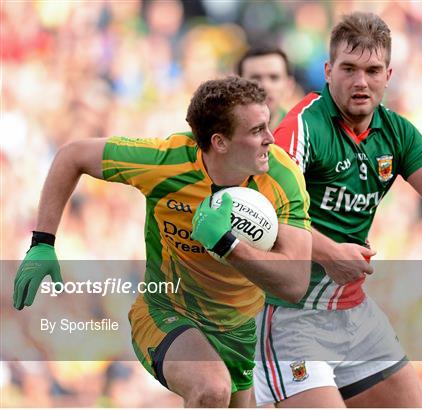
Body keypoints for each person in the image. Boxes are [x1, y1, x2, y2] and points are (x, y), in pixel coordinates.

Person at [12, 77, 312, 408]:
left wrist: (228, 246)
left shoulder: (283, 177)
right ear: (220, 142)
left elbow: (295, 283)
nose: (270, 139)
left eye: (267, 126)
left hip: (240, 332)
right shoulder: (165, 162)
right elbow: (72, 155)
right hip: (166, 313)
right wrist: (43, 242)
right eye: (256, 131)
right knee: (211, 388)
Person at [254, 12, 422, 408]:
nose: (361, 82)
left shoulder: (397, 132)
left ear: (388, 74)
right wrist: (329, 253)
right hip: (291, 314)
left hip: (353, 311)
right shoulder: (304, 126)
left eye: (373, 70)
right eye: (349, 69)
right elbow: (265, 214)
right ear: (327, 71)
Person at [236, 46, 294, 131]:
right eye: (255, 78)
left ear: (289, 86)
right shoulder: (224, 132)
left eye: (274, 77)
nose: (265, 86)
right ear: (237, 86)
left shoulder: (303, 133)